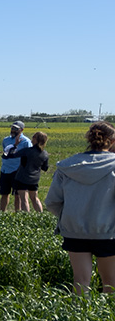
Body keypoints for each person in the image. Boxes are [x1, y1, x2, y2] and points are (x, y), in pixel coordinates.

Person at [44, 122, 115, 294]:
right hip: (108, 232)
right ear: (112, 141)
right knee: (111, 284)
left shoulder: (68, 166)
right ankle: (107, 319)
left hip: (74, 231)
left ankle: (80, 319)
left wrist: (69, 216)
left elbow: (52, 202)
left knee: (81, 282)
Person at [6, 131, 49, 212]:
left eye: (33, 137)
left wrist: (15, 145)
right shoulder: (45, 154)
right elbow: (45, 168)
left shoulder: (27, 151)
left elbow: (11, 155)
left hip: (22, 178)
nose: (31, 139)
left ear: (36, 140)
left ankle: (27, 216)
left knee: (24, 199)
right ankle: (40, 216)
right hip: (34, 179)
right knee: (35, 198)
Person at [0, 120, 31, 212]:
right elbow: (5, 152)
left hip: (17, 170)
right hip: (5, 170)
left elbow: (29, 156)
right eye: (12, 128)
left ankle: (18, 213)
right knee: (4, 193)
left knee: (18, 195)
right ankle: (2, 213)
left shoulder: (26, 142)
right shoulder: (6, 140)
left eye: (15, 129)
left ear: (21, 130)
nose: (13, 130)